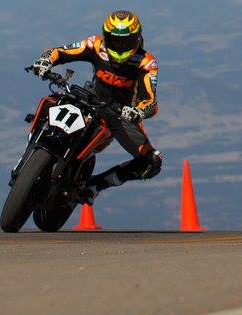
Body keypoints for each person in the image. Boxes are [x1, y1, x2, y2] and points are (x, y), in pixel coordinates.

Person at [27, 10, 163, 199]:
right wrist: (45, 61)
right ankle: (33, 149)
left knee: (152, 161)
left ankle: (97, 186)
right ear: (106, 37)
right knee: (51, 102)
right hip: (88, 98)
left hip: (120, 114)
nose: (120, 45)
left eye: (126, 40)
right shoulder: (95, 44)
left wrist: (138, 111)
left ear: (138, 38)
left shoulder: (146, 63)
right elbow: (59, 51)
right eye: (114, 40)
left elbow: (150, 101)